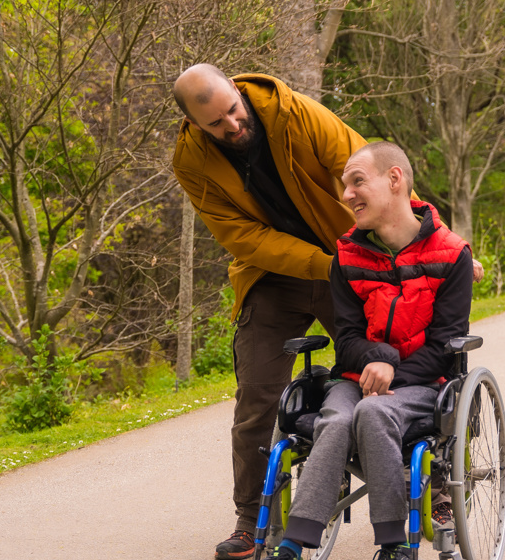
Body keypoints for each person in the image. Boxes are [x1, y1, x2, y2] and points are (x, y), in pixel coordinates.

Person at [168, 65, 478, 560]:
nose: (231, 125)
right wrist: (329, 264)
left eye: (233, 109)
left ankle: (436, 490)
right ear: (191, 124)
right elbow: (238, 235)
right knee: (258, 396)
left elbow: (374, 173)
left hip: (361, 259)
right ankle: (251, 521)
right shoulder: (191, 161)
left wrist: (435, 241)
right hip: (279, 273)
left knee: (400, 362)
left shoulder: (295, 114)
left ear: (235, 88)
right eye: (215, 124)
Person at [265, 142, 473, 560]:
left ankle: (394, 544)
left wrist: (393, 370)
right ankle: (292, 544)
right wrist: (375, 359)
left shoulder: (453, 256)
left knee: (373, 412)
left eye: (357, 181)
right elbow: (347, 336)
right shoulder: (345, 255)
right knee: (337, 416)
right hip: (355, 378)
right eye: (345, 185)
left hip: (423, 385)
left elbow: (445, 345)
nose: (346, 195)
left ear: (394, 179)